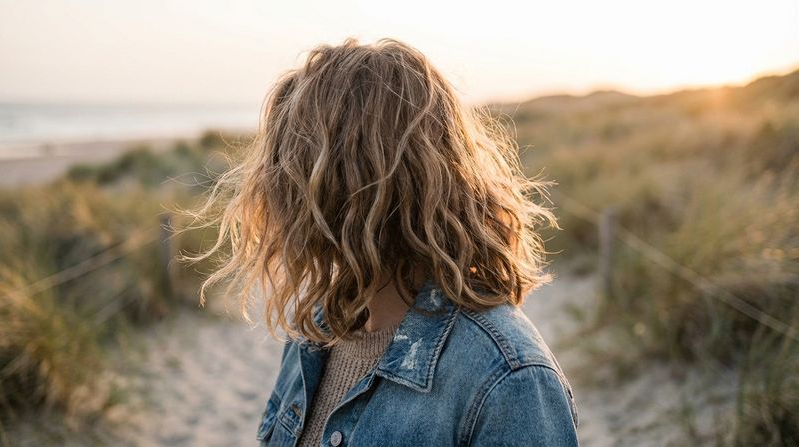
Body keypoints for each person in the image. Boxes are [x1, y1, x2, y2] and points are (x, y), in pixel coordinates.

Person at [180, 37, 578, 446]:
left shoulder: (507, 379)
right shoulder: (315, 334)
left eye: (293, 173)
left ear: (347, 192)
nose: (273, 193)